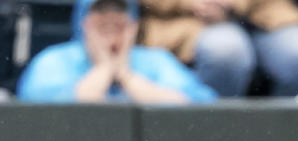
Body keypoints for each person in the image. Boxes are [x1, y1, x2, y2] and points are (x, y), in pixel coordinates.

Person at [16, 0, 217, 103]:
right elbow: (40, 110)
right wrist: (104, 68)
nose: (111, 17)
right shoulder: (55, 59)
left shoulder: (155, 60)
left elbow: (195, 106)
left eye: (119, 9)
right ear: (83, 21)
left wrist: (126, 76)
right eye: (101, 10)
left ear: (133, 23)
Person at [139, 0, 298, 98]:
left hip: (269, 15)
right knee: (226, 51)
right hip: (190, 21)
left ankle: (286, 134)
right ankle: (217, 135)